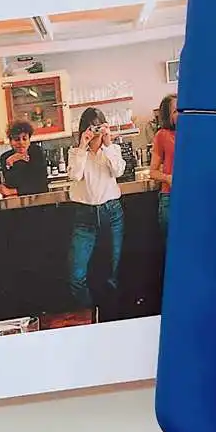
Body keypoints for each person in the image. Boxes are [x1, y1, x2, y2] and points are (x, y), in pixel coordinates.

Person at [66, 107, 125, 313]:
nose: (95, 131)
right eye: (91, 127)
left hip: (112, 213)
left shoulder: (111, 149)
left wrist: (108, 144)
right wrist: (83, 146)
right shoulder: (75, 152)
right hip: (85, 216)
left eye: (99, 126)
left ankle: (111, 314)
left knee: (113, 273)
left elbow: (118, 170)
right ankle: (90, 314)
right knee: (76, 276)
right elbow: (75, 175)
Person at [0, 120, 49, 197]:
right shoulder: (5, 157)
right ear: (10, 142)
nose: (21, 142)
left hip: (39, 200)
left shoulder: (37, 152)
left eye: (24, 139)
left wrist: (11, 191)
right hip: (16, 202)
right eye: (17, 139)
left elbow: (41, 186)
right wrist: (1, 188)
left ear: (29, 140)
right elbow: (10, 183)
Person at [150, 94, 177, 237]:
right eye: (175, 111)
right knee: (172, 244)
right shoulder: (162, 135)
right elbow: (153, 172)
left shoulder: (192, 133)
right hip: (170, 197)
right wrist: (167, 178)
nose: (181, 114)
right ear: (168, 116)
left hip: (192, 195)